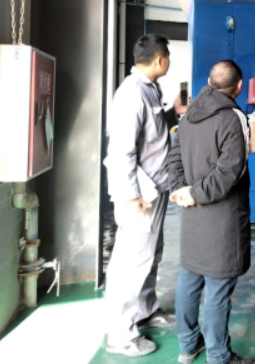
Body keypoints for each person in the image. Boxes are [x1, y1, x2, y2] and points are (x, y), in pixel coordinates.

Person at [165, 60, 255, 364]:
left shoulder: (190, 112)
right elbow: (231, 172)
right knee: (218, 285)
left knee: (190, 278)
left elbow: (174, 156)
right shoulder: (234, 118)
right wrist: (194, 193)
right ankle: (219, 356)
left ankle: (188, 346)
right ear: (239, 86)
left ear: (209, 82)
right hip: (223, 217)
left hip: (193, 213)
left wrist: (182, 190)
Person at [104, 33, 188, 357]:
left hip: (155, 188)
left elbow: (151, 133)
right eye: (168, 56)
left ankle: (146, 310)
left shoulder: (150, 88)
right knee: (133, 262)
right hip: (140, 194)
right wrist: (129, 195)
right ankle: (121, 335)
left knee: (151, 253)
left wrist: (173, 113)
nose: (168, 61)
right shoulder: (132, 94)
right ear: (160, 59)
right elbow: (121, 150)